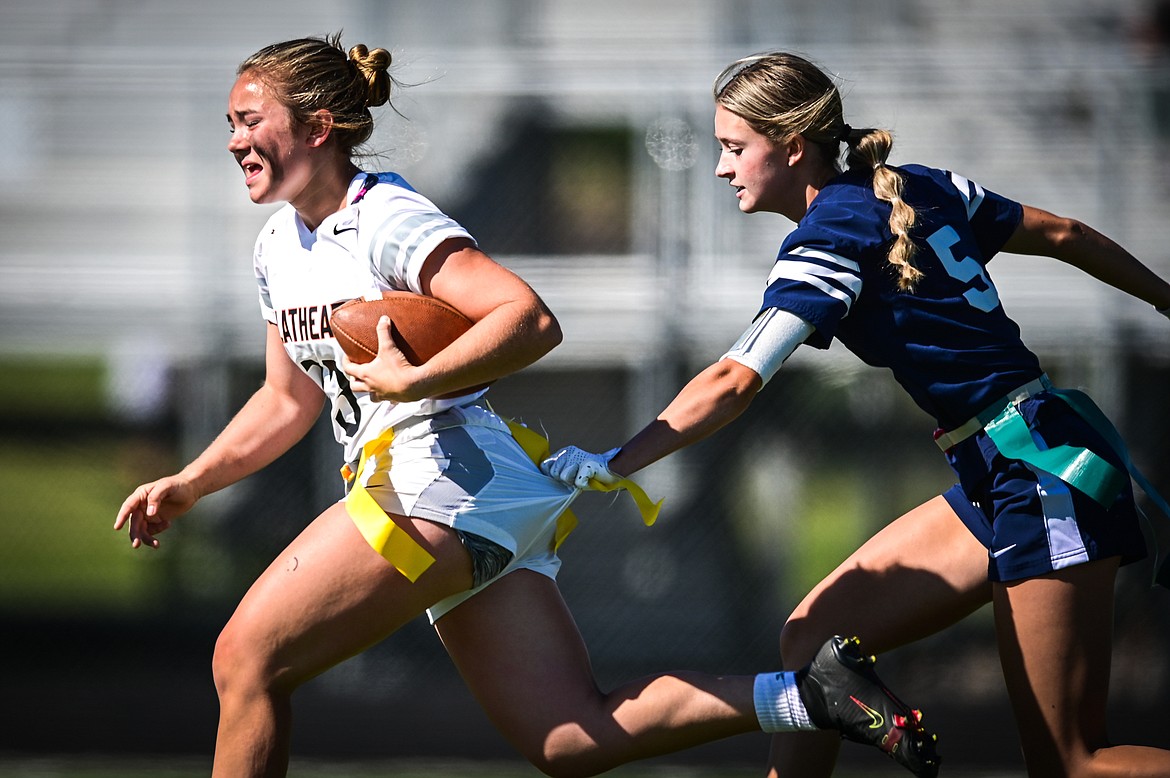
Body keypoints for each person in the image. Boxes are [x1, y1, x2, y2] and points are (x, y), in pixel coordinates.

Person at [113, 36, 941, 778]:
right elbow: (284, 399)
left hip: (433, 482)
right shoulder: (276, 247)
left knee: (245, 659)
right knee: (572, 738)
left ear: (319, 125)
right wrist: (191, 480)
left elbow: (528, 318)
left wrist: (412, 381)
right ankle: (815, 698)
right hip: (470, 496)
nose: (232, 140)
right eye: (228, 121)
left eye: (249, 119)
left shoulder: (384, 218)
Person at [542, 50, 1170, 777]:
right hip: (1013, 460)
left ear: (793, 146)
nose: (721, 169)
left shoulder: (830, 236)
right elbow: (1065, 232)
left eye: (734, 148)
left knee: (1072, 763)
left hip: (1041, 471)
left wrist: (615, 461)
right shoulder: (919, 185)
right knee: (814, 642)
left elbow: (732, 381)